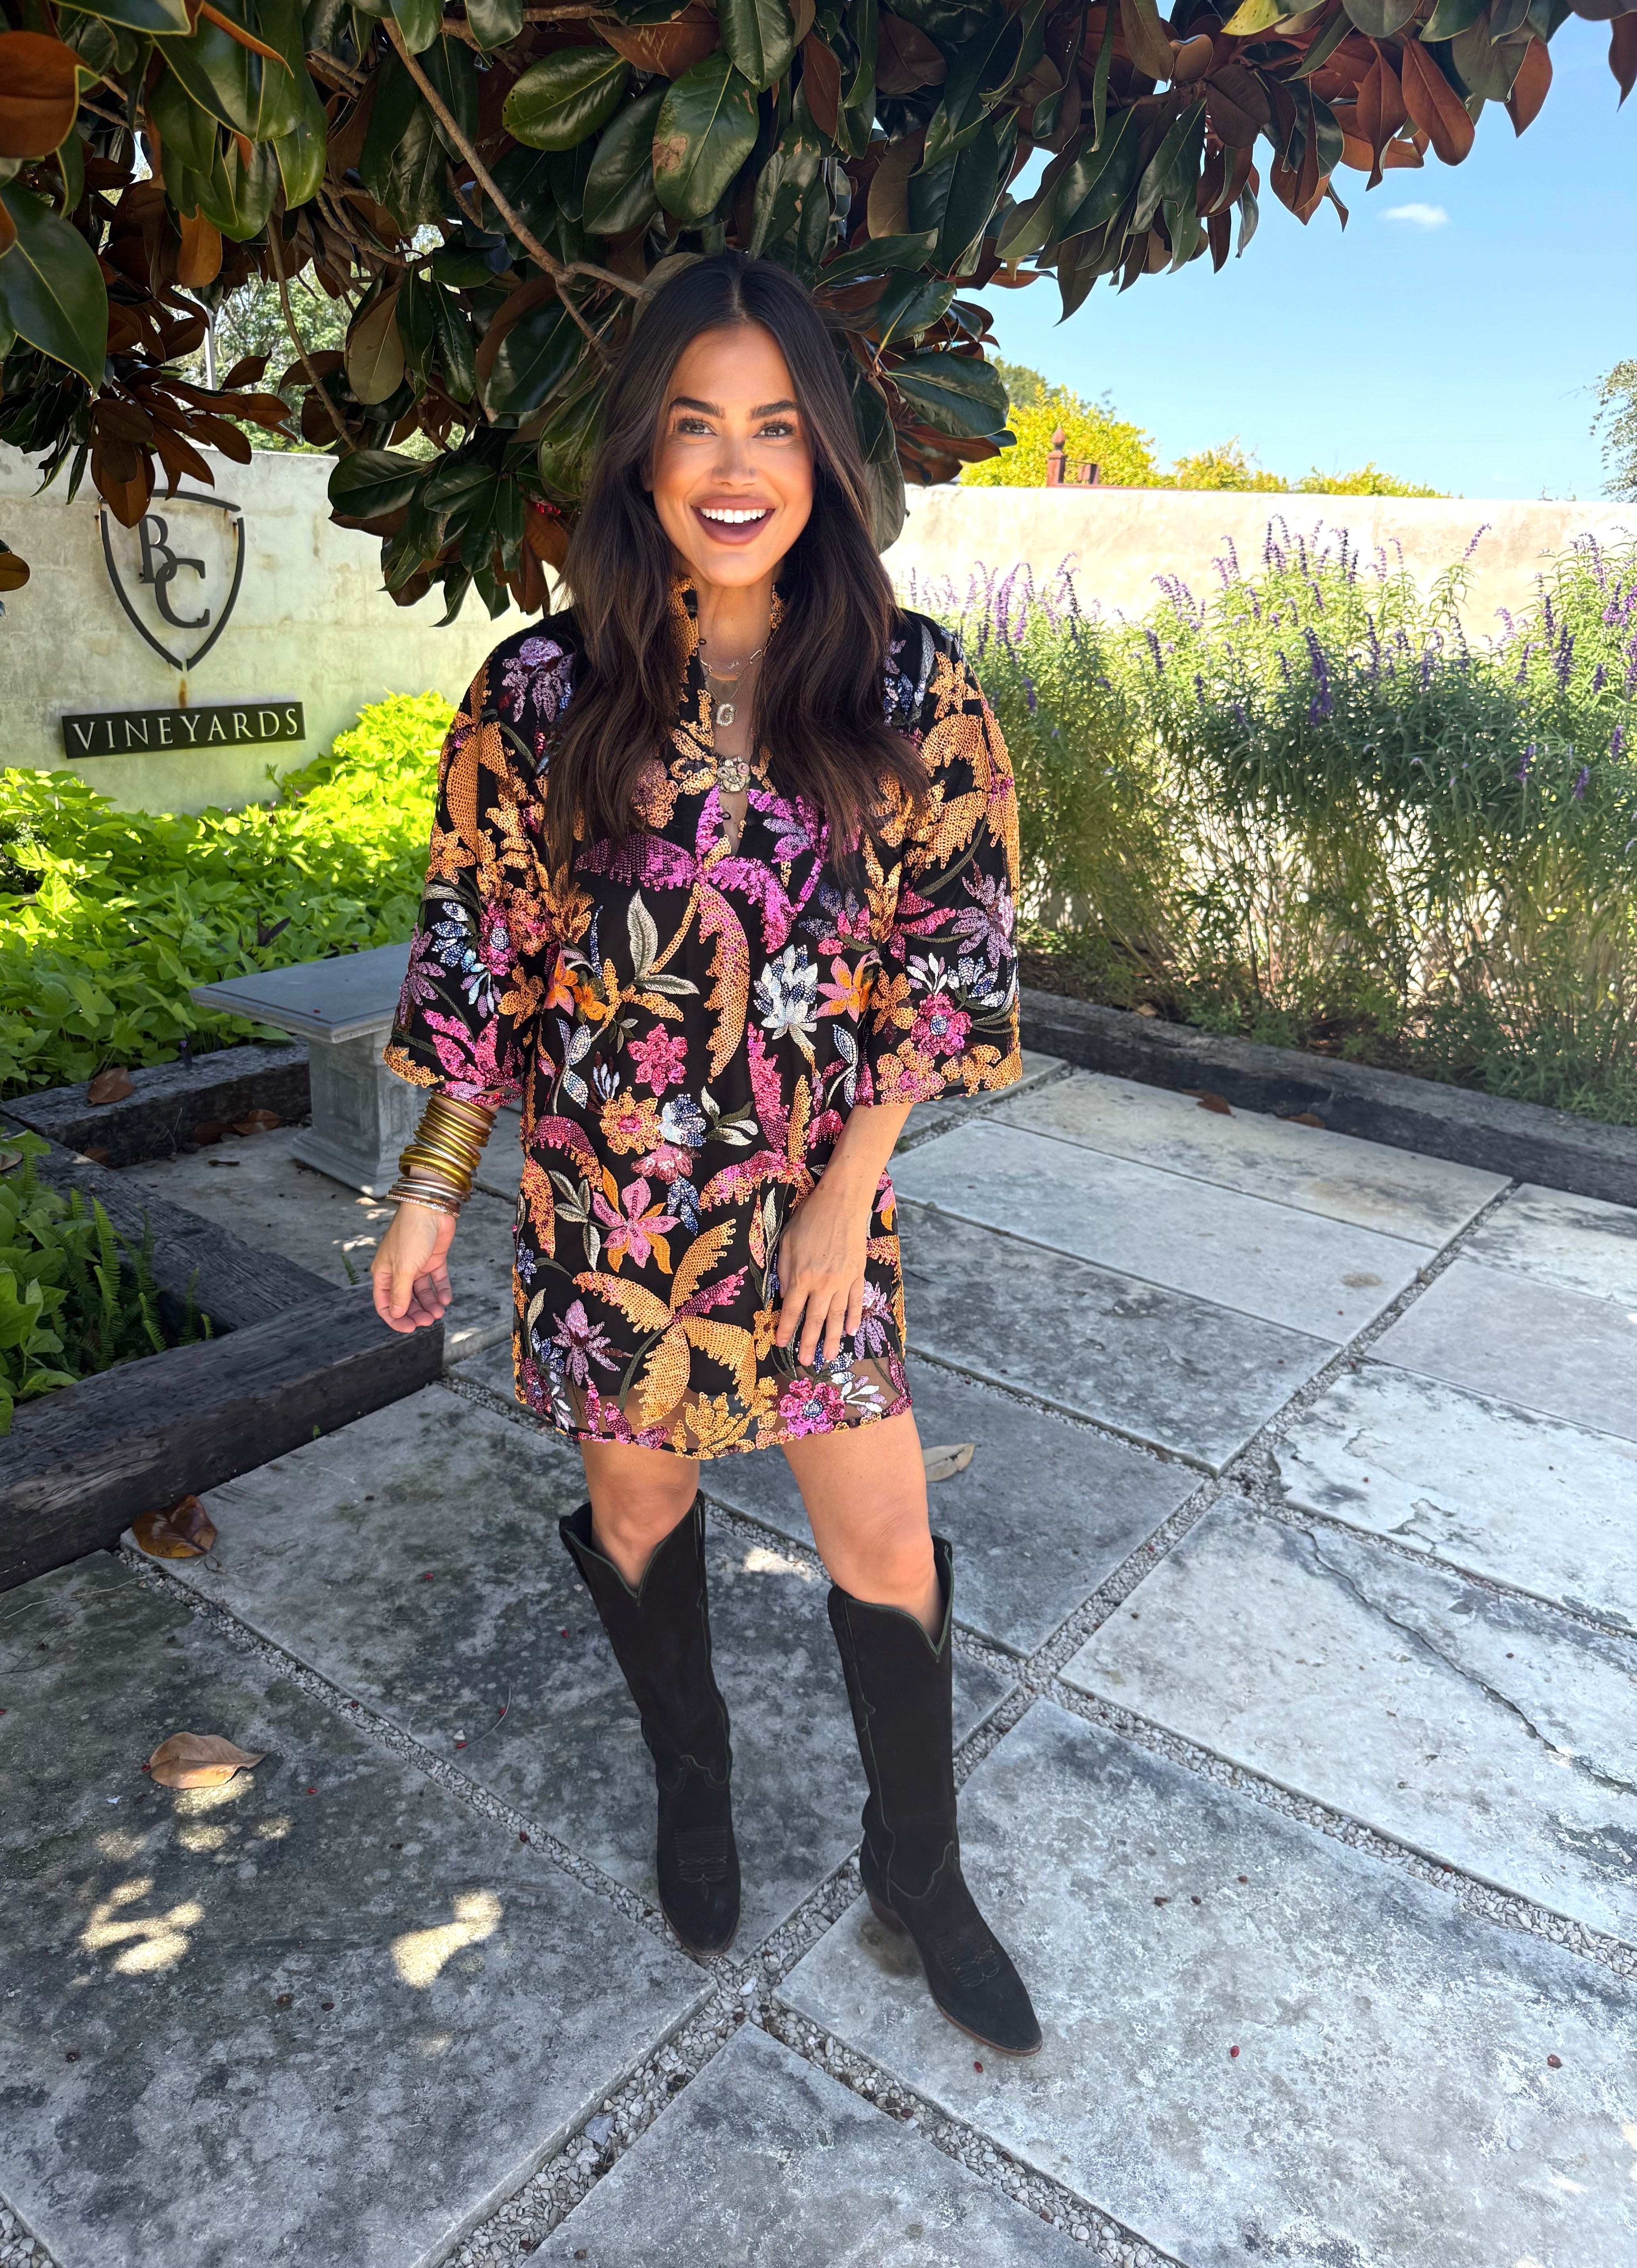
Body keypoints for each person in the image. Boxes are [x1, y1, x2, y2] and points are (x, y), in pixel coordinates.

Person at [370, 250, 1039, 2058]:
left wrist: (845, 1198)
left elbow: (952, 952)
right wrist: (429, 1189)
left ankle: (922, 1872)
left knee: (882, 1534)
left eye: (776, 426)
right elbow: (484, 951)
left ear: (827, 454)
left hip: (814, 1213)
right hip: (605, 1211)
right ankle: (696, 1784)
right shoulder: (540, 690)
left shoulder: (907, 683)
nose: (736, 467)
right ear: (642, 453)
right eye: (696, 424)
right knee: (641, 1506)